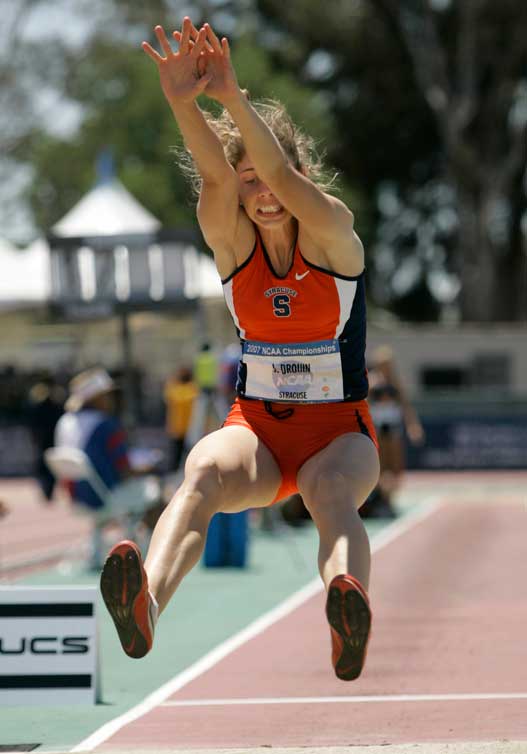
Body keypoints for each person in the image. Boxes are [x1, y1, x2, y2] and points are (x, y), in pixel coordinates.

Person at [100, 18, 380, 682]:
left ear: (299, 176)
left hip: (339, 430)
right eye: (247, 182)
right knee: (199, 473)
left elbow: (281, 177)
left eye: (270, 179)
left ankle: (348, 609)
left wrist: (231, 97)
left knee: (330, 494)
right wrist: (182, 102)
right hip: (255, 425)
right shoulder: (231, 247)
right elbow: (215, 180)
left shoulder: (333, 234)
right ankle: (148, 604)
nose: (260, 194)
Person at [54, 367, 162, 568]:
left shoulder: (64, 422)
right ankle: (156, 554)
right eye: (106, 395)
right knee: (157, 491)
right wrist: (148, 467)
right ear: (96, 398)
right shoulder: (105, 424)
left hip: (76, 497)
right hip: (105, 497)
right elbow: (124, 471)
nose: (111, 399)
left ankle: (108, 549)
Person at [361, 345, 425, 518]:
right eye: (383, 364)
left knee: (395, 465)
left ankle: (389, 498)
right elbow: (363, 403)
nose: (386, 367)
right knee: (380, 465)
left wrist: (413, 426)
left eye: (388, 364)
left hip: (393, 425)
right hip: (378, 425)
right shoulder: (372, 381)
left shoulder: (396, 382)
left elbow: (405, 405)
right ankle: (380, 500)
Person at [26, 375, 65, 503]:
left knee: (46, 467)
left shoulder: (46, 403)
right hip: (47, 439)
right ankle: (47, 492)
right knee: (46, 467)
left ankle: (47, 492)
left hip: (48, 439)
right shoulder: (50, 402)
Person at [163, 365, 199, 472]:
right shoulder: (192, 390)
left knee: (176, 458)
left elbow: (168, 391)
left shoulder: (174, 390)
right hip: (185, 430)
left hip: (178, 430)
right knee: (185, 457)